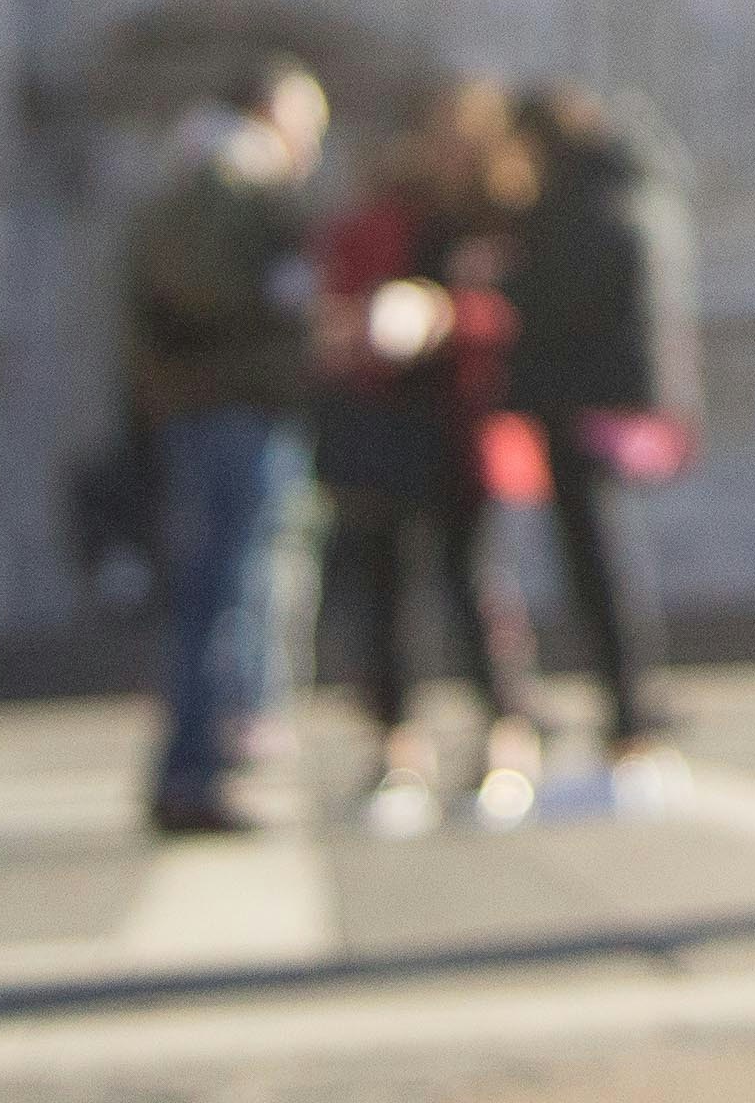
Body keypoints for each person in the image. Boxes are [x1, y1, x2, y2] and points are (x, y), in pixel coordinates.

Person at [316, 80, 542, 833]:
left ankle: (506, 739)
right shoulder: (379, 218)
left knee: (476, 586)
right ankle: (397, 750)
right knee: (384, 588)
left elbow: (529, 314)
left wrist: (451, 317)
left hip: (466, 430)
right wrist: (355, 327)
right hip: (384, 424)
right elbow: (335, 297)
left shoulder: (501, 220)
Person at [122, 55, 329, 835]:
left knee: (228, 584)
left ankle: (204, 764)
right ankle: (205, 765)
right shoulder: (229, 183)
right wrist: (289, 295)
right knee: (231, 589)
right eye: (309, 122)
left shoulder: (207, 179)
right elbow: (200, 290)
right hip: (233, 404)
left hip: (221, 402)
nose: (314, 144)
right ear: (271, 114)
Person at [507, 83, 702, 799]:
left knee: (600, 564)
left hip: (582, 401)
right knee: (607, 560)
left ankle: (632, 720)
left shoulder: (583, 202)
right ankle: (634, 714)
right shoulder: (639, 186)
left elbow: (565, 302)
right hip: (617, 399)